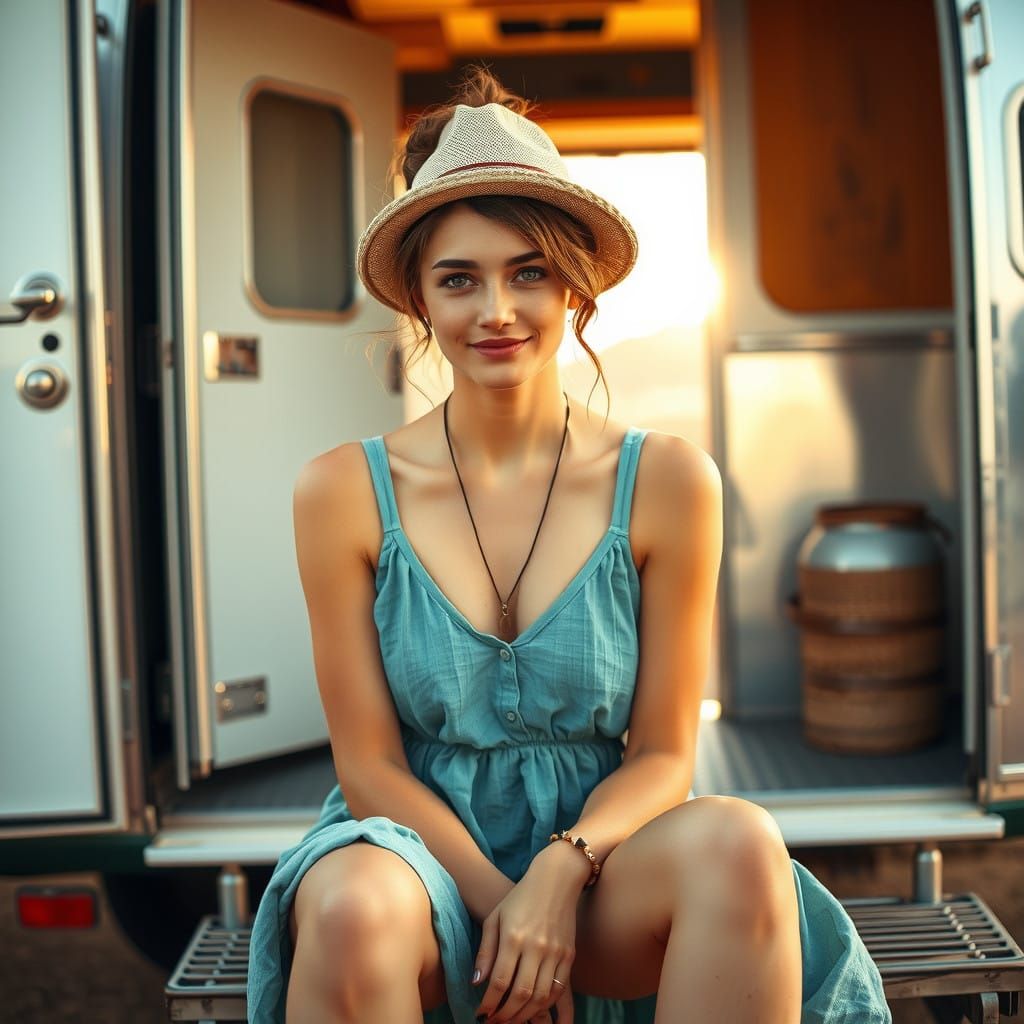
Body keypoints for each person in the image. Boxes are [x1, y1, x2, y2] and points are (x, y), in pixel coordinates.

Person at [247, 68, 892, 1024]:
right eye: (458, 279)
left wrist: (558, 873)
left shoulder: (669, 481)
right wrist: (501, 907)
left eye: (528, 272)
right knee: (346, 907)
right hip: (415, 864)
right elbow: (371, 766)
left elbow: (668, 751)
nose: (495, 310)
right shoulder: (342, 491)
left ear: (575, 287)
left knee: (742, 844)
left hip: (599, 861)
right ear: (421, 302)